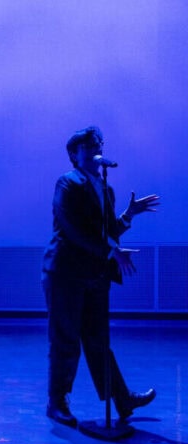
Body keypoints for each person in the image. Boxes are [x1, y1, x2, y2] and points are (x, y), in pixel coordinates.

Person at [43, 125, 160, 428]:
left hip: (94, 274)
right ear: (74, 154)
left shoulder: (105, 187)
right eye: (88, 146)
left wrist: (128, 216)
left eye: (99, 144)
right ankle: (56, 403)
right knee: (66, 340)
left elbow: (107, 234)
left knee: (98, 340)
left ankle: (121, 399)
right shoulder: (67, 183)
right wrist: (111, 253)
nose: (97, 150)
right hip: (66, 273)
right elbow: (73, 231)